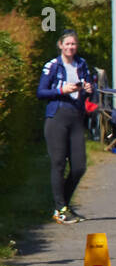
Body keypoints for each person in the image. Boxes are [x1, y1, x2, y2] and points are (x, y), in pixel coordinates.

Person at [38, 29, 97, 224]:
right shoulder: (53, 66)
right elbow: (41, 92)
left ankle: (62, 204)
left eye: (74, 44)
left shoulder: (82, 64)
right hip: (57, 117)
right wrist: (61, 90)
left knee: (79, 166)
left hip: (76, 117)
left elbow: (89, 89)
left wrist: (89, 89)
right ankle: (60, 208)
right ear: (60, 46)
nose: (71, 47)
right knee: (58, 163)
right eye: (67, 44)